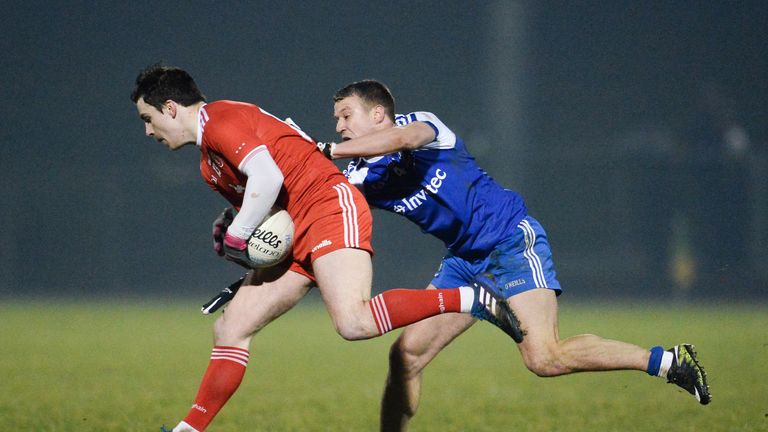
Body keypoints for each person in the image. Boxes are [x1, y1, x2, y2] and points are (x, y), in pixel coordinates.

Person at [130, 64, 520, 432]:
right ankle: (188, 429)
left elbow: (266, 177)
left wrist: (238, 236)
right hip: (299, 225)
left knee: (354, 323)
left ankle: (470, 299)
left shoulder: (222, 119)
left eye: (148, 119)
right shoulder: (208, 163)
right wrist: (229, 222)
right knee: (231, 327)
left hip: (330, 206)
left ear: (170, 107)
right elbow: (267, 203)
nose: (148, 132)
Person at [319, 79, 711, 431]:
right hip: (464, 262)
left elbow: (402, 140)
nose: (339, 126)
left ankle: (666, 362)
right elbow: (323, 198)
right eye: (337, 120)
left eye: (346, 115)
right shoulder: (358, 176)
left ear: (378, 113)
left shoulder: (423, 125)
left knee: (545, 358)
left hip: (510, 243)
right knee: (405, 356)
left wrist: (332, 150)